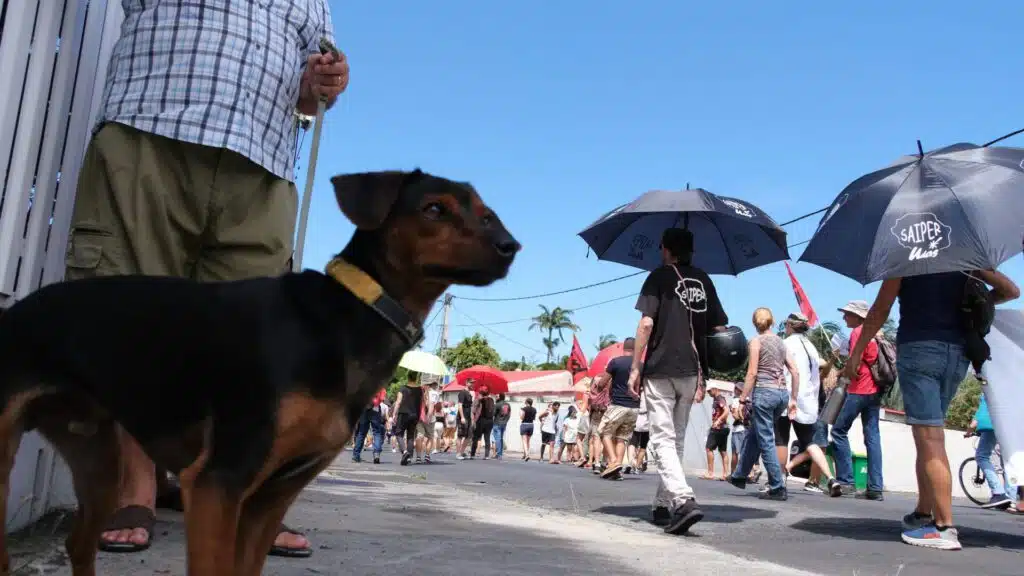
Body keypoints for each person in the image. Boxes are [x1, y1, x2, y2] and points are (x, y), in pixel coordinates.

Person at [73, 0, 348, 556]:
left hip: (262, 158)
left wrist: (324, 83)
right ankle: (137, 487)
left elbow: (308, 96)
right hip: (151, 125)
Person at [845, 269, 1018, 550]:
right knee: (926, 437)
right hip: (958, 353)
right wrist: (980, 296)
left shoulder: (905, 256)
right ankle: (923, 512)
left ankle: (944, 527)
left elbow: (880, 309)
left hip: (919, 349)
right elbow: (1011, 291)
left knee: (930, 439)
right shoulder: (963, 256)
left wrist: (855, 354)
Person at [628, 228, 727, 535]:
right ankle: (663, 505)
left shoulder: (658, 277)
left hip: (661, 368)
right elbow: (719, 326)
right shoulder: (704, 280)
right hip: (692, 370)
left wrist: (635, 366)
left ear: (667, 249)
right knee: (677, 438)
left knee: (661, 438)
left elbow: (646, 323)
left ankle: (683, 500)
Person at [728, 308, 800, 501]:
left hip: (764, 393)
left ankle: (777, 486)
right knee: (756, 433)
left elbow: (751, 373)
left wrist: (742, 399)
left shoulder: (755, 342)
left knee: (766, 439)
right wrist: (793, 399)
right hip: (781, 395)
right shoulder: (781, 342)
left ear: (754, 323)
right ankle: (740, 475)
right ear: (772, 321)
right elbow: (794, 371)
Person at [779, 313, 842, 496]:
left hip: (790, 396)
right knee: (810, 443)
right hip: (809, 401)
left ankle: (779, 480)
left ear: (790, 326)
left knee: (781, 439)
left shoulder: (787, 344)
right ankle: (831, 478)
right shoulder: (812, 347)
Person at [831, 301, 884, 500]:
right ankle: (875, 487)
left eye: (847, 314)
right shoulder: (877, 334)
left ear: (858, 316)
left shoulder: (858, 333)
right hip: (875, 391)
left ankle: (846, 481)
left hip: (859, 389)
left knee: (838, 430)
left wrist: (841, 371)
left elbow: (854, 364)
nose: (844, 317)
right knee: (872, 437)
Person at [595, 338, 642, 480]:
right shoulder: (640, 364)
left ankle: (614, 462)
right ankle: (617, 471)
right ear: (636, 348)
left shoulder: (615, 362)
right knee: (622, 438)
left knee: (604, 432)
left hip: (618, 405)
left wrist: (599, 384)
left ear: (623, 348)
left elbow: (602, 383)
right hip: (634, 408)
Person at [969, 392, 1013, 510]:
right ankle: (1012, 497)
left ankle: (998, 492)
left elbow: (979, 416)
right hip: (1009, 426)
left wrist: (969, 431)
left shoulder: (988, 390)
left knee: (981, 456)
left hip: (991, 426)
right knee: (1007, 462)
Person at [392, 372, 425, 466]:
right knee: (410, 436)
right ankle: (409, 457)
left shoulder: (403, 388)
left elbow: (398, 402)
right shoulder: (420, 389)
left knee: (399, 433)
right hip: (415, 415)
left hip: (404, 413)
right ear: (416, 378)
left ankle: (404, 451)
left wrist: (394, 414)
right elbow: (423, 402)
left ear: (408, 377)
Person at [701, 387, 730, 480]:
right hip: (724, 428)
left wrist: (718, 421)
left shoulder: (719, 399)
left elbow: (726, 411)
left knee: (709, 448)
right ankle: (725, 474)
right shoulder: (716, 399)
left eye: (710, 391)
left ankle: (710, 473)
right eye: (708, 391)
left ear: (715, 389)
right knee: (723, 451)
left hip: (718, 428)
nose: (709, 393)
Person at [352, 390, 387, 464]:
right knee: (376, 432)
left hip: (364, 408)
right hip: (375, 409)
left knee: (361, 433)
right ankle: (376, 455)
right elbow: (382, 398)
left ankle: (356, 455)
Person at [470, 386, 496, 459]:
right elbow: (493, 411)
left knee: (476, 437)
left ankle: (472, 454)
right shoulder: (491, 400)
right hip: (490, 421)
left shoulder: (478, 400)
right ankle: (487, 455)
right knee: (487, 438)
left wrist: (473, 420)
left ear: (480, 392)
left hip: (480, 420)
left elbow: (473, 411)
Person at [627, 391, 650, 474]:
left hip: (636, 418)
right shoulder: (650, 394)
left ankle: (631, 462)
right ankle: (637, 467)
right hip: (647, 420)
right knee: (643, 446)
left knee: (632, 443)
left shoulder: (636, 393)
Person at [456, 379, 475, 460]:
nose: (472, 384)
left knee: (468, 435)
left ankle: (462, 452)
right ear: (466, 383)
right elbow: (460, 405)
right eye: (471, 383)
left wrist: (471, 417)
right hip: (462, 417)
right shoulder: (462, 393)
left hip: (468, 417)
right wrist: (462, 417)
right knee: (460, 435)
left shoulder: (470, 393)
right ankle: (458, 453)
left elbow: (471, 406)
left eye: (473, 383)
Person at [492, 393, 512, 460]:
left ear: (500, 397)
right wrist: (506, 421)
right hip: (504, 424)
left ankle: (499, 454)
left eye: (497, 396)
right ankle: (500, 454)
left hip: (497, 423)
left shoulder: (497, 404)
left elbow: (493, 414)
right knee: (501, 438)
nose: (496, 397)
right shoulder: (508, 405)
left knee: (497, 439)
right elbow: (509, 414)